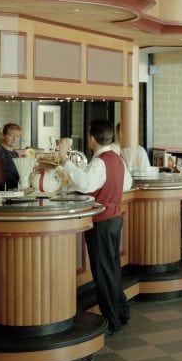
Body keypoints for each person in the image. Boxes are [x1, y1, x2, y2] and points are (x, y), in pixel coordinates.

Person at [59, 119, 133, 334]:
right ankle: (122, 312)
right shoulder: (117, 158)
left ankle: (112, 321)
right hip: (115, 219)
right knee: (112, 269)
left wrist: (64, 159)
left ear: (91, 138)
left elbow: (86, 184)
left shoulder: (100, 162)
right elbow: (127, 184)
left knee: (103, 272)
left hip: (102, 222)